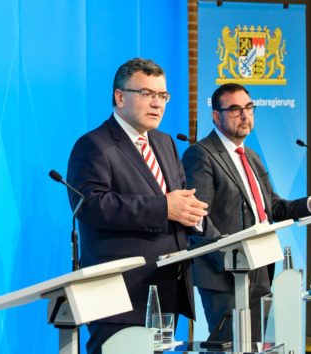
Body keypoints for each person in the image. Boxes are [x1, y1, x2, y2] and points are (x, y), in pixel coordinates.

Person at [66, 58, 214, 354]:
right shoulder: (94, 145)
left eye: (163, 96)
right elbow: (92, 205)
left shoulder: (165, 142)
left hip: (164, 289)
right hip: (119, 295)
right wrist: (163, 208)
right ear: (120, 97)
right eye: (147, 94)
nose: (157, 104)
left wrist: (194, 217)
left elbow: (179, 199)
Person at [181, 83, 311, 342]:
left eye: (249, 108)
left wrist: (310, 204)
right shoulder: (201, 154)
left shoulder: (250, 155)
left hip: (259, 268)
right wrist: (228, 258)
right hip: (224, 273)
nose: (244, 115)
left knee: (255, 343)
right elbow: (198, 217)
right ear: (216, 116)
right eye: (234, 109)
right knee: (229, 343)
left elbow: (272, 208)